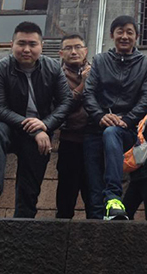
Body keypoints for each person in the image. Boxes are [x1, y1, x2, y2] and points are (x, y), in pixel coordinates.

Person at [0, 21, 74, 218]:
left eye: (32, 44)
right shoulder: (0, 69)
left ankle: (24, 220)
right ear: (11, 44)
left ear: (41, 46)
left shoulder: (53, 69)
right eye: (21, 43)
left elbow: (66, 102)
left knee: (28, 193)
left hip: (40, 134)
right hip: (10, 128)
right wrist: (36, 129)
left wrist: (46, 125)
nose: (26, 49)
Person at [83, 15, 147, 220]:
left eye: (129, 32)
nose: (124, 36)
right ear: (111, 35)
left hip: (126, 130)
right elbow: (89, 92)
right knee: (93, 187)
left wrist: (127, 119)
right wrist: (100, 116)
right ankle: (99, 221)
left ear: (136, 37)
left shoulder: (145, 64)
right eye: (120, 32)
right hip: (95, 128)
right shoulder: (100, 60)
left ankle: (114, 197)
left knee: (112, 132)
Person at [55, 34, 91, 219]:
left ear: (86, 51)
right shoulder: (57, 76)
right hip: (69, 140)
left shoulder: (97, 70)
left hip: (94, 141)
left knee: (93, 197)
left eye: (78, 47)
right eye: (68, 48)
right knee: (66, 197)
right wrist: (84, 83)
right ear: (61, 53)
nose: (74, 52)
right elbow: (64, 106)